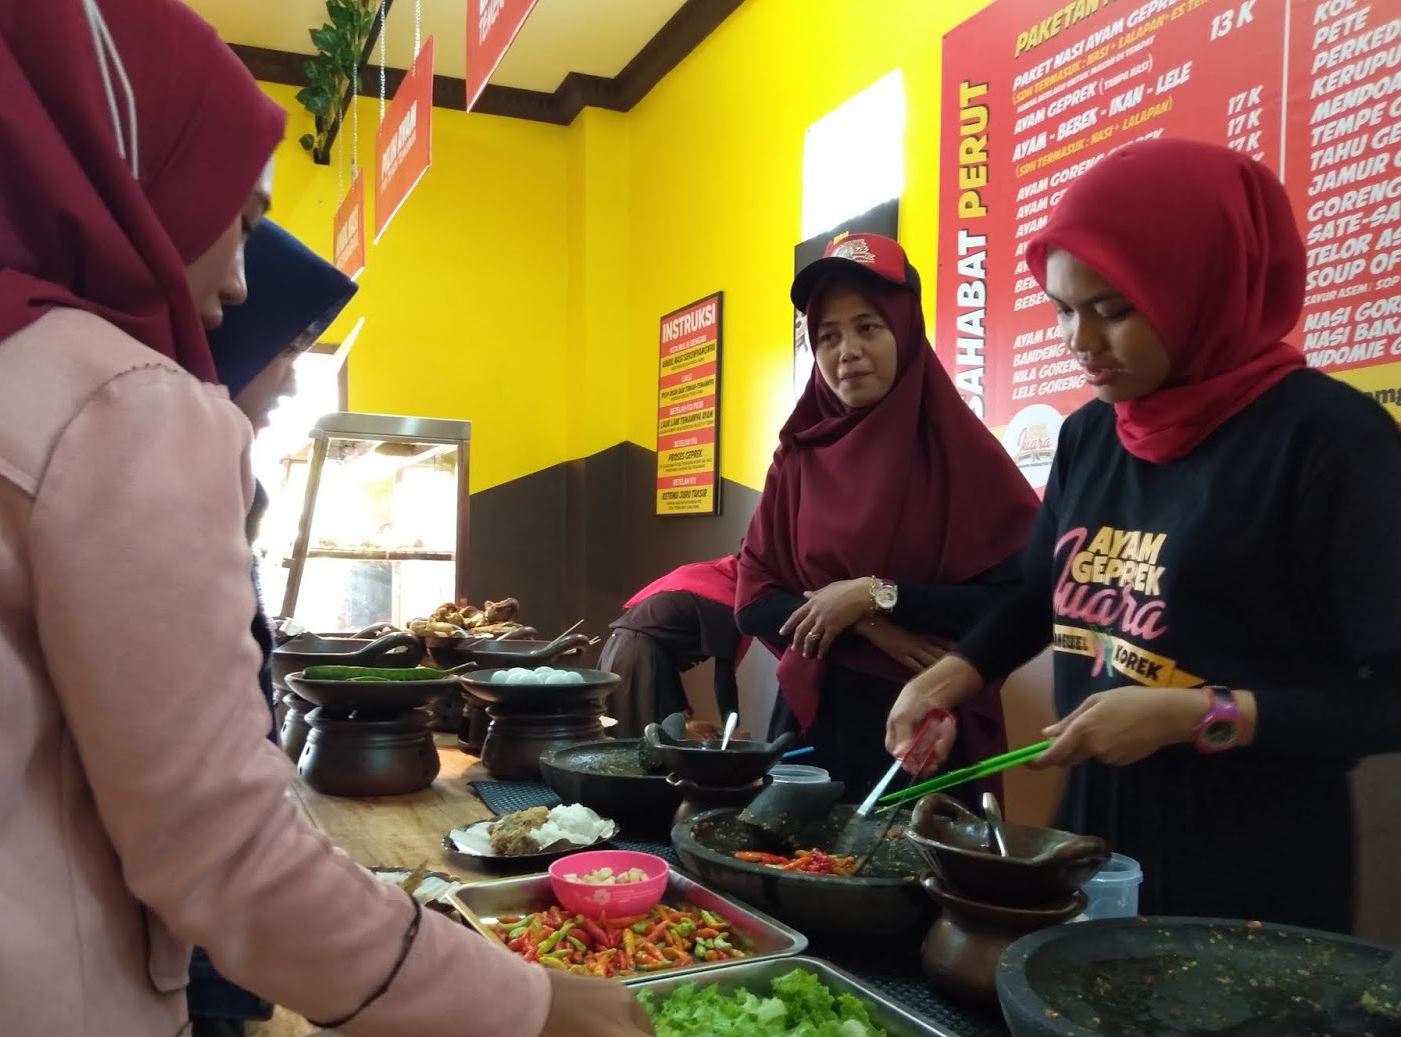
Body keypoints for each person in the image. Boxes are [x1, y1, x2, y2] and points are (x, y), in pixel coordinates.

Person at [0, 4, 676, 1037]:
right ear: (121, 166)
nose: (238, 282)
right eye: (246, 216)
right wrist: (525, 1009)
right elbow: (220, 849)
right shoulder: (110, 400)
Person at [885, 139, 1401, 933]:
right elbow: (1040, 591)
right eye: (1063, 309)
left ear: (1200, 288)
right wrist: (953, 675)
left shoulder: (1329, 441)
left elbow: (1387, 699)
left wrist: (1192, 715)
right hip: (1095, 832)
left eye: (1114, 311)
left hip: (1253, 857)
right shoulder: (1093, 434)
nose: (1079, 342)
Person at [735, 233, 1039, 797]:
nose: (846, 351)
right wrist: (867, 621)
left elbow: (1018, 604)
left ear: (905, 328)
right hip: (815, 723)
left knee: (922, 855)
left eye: (867, 327)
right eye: (828, 336)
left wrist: (876, 593)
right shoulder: (798, 456)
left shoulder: (963, 454)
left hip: (930, 733)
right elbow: (752, 603)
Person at [188, 219, 358, 1037]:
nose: (293, 376)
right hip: (187, 930)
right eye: (287, 348)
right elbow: (190, 776)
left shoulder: (220, 473)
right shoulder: (166, 480)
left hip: (214, 915)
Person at [599, 555, 750, 738]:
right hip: (639, 656)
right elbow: (724, 679)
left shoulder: (706, 582)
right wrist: (732, 732)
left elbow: (664, 658)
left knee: (624, 736)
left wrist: (686, 714)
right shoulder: (727, 602)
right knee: (650, 741)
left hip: (617, 649)